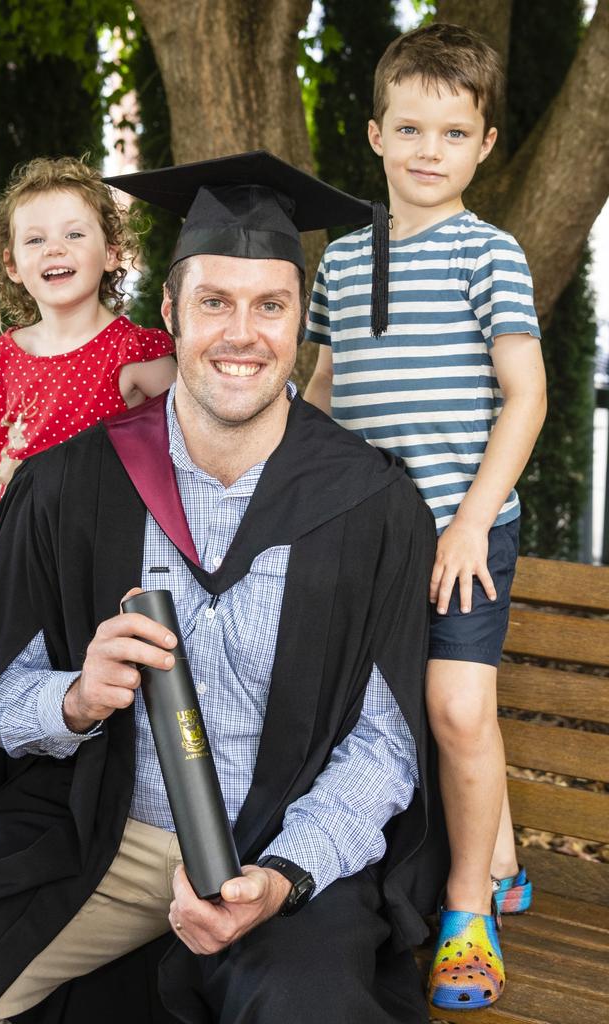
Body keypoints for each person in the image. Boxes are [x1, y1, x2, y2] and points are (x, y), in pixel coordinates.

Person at [0, 151, 445, 1024]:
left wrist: (280, 877)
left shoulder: (373, 505)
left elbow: (383, 751)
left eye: (270, 305)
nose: (243, 333)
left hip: (278, 848)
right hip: (98, 828)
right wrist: (78, 699)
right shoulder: (69, 487)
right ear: (168, 311)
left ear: (300, 319)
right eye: (214, 302)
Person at [304, 23, 547, 1013]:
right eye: (410, 128)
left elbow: (526, 398)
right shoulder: (343, 261)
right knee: (396, 713)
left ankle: (466, 909)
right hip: (371, 533)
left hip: (466, 527)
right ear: (374, 133)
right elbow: (319, 388)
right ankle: (502, 850)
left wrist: (469, 522)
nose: (428, 150)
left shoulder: (491, 255)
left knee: (454, 708)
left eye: (453, 133)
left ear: (485, 144)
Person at [0, 155, 177, 606]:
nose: (54, 248)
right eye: (35, 239)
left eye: (73, 234)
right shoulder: (4, 357)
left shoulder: (131, 354)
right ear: (12, 264)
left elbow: (186, 444)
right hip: (10, 553)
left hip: (90, 563)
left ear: (111, 252)